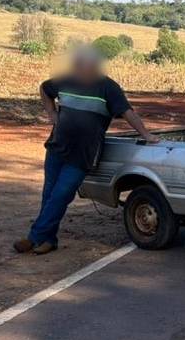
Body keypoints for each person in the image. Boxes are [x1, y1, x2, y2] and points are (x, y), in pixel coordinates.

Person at [15, 46, 160, 254]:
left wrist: (146, 135)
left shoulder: (109, 88)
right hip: (57, 147)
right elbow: (44, 89)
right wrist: (51, 114)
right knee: (49, 194)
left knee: (61, 195)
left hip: (83, 154)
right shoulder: (65, 81)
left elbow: (127, 112)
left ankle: (34, 237)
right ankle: (49, 240)